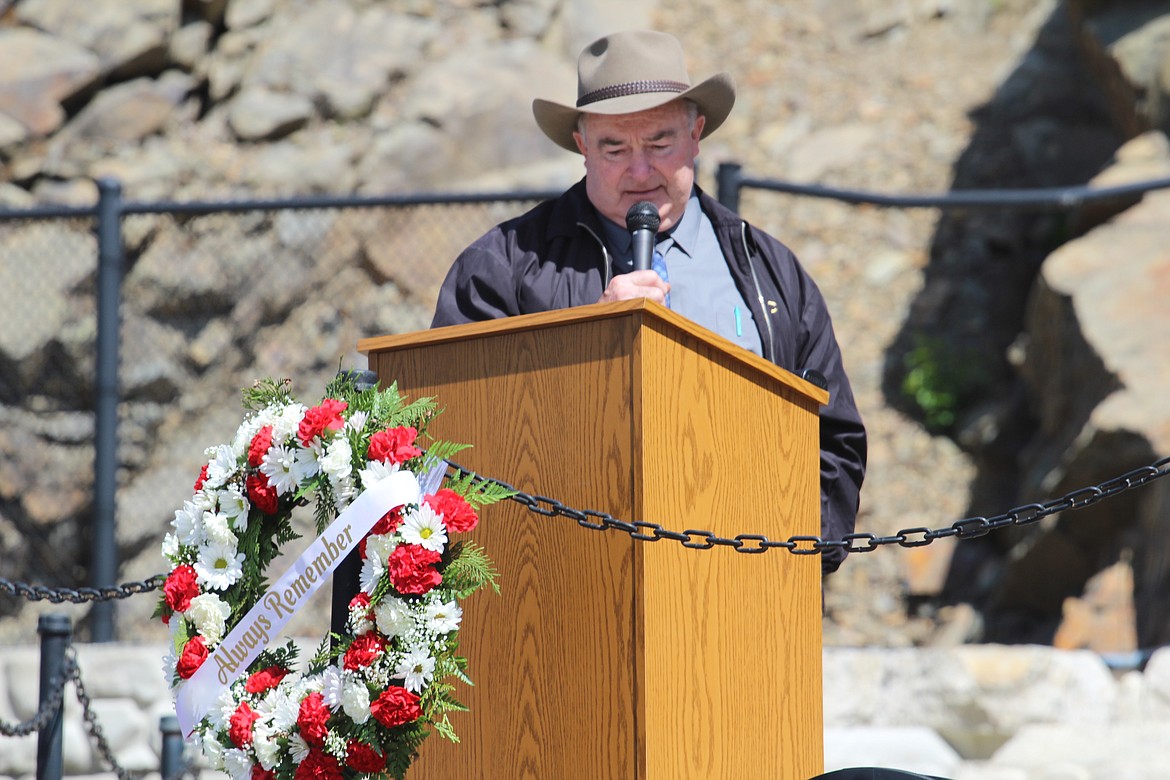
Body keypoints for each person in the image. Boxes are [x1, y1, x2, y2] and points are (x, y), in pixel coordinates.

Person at [431, 30, 866, 575]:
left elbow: (834, 437)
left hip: (743, 595)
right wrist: (589, 338)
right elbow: (455, 436)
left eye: (659, 143)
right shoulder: (504, 266)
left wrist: (794, 556)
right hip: (565, 592)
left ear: (696, 134)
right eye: (614, 147)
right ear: (581, 144)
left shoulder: (768, 270)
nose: (639, 171)